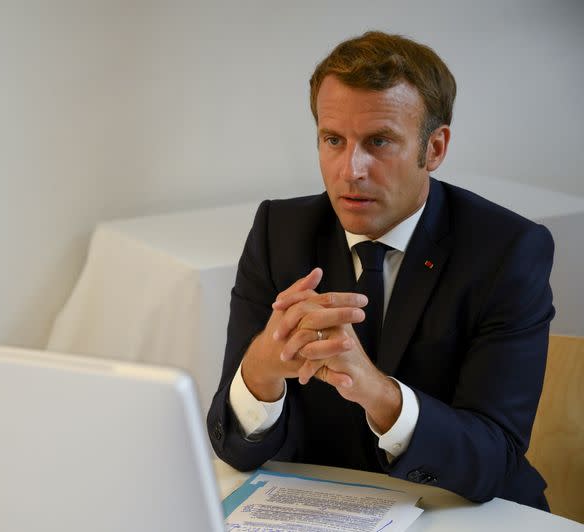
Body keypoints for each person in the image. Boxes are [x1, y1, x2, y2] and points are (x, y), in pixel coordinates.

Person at [207, 31, 554, 510]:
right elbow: (234, 447)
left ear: (434, 149)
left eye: (379, 141)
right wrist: (261, 371)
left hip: (461, 510)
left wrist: (378, 393)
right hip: (318, 513)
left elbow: (494, 457)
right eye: (333, 140)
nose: (351, 169)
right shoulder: (278, 231)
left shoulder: (507, 250)